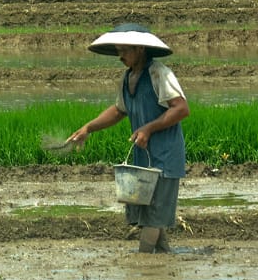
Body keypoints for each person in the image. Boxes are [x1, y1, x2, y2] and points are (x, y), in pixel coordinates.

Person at [67, 23, 189, 253]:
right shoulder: (128, 77)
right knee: (149, 212)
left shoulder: (159, 73)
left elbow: (181, 108)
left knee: (154, 214)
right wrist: (88, 128)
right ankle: (164, 258)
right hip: (143, 156)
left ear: (140, 49)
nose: (120, 56)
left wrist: (148, 129)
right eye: (118, 51)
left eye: (124, 50)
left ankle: (143, 263)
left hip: (164, 155)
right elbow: (118, 111)